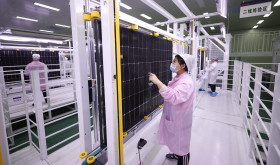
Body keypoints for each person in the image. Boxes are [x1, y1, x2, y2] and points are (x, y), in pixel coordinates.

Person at [149, 54, 194, 165]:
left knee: (182, 148)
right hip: (175, 117)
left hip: (181, 121)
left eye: (174, 62)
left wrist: (158, 82)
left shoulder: (187, 82)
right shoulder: (178, 78)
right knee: (176, 143)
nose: (172, 64)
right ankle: (176, 153)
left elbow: (174, 97)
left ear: (183, 66)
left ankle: (182, 159)